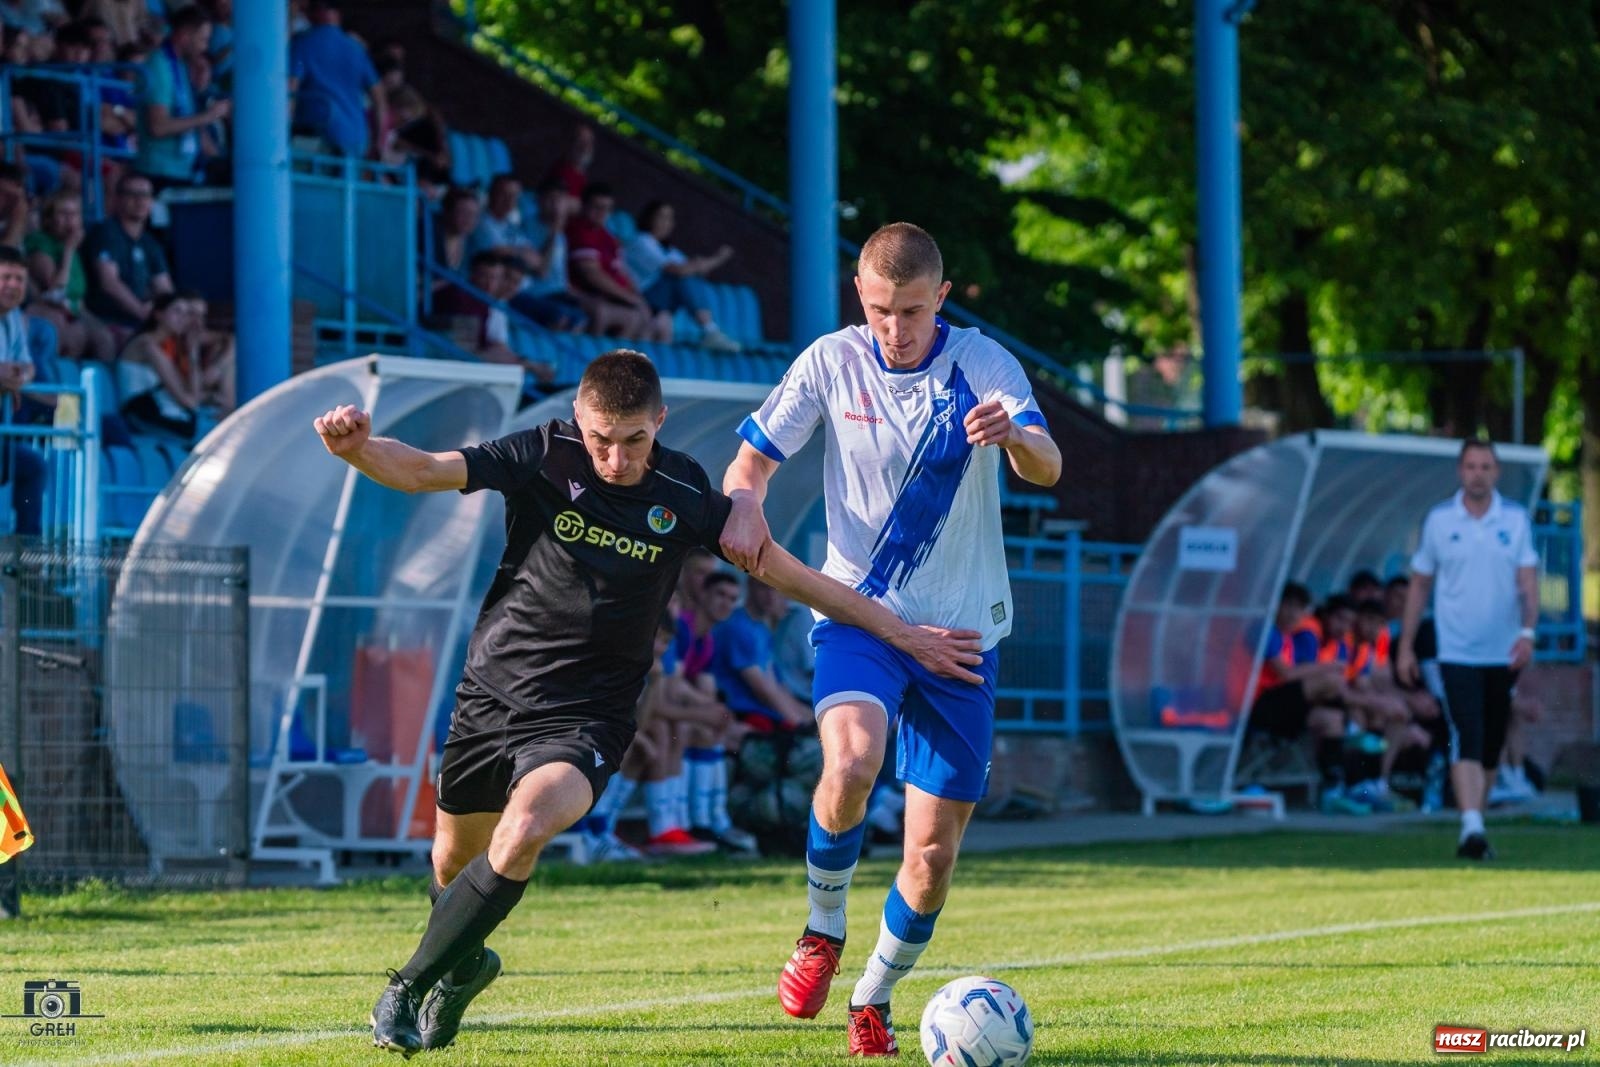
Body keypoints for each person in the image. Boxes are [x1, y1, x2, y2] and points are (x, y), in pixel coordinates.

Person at [314, 350, 983, 1057]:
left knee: (526, 826)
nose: (615, 458)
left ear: (659, 422)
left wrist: (904, 635)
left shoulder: (684, 493)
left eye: (633, 439)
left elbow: (797, 578)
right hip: (491, 694)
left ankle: (406, 986)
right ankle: (465, 964)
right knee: (452, 866)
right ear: (578, 418)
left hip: (588, 717)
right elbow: (423, 469)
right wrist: (357, 450)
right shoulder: (544, 453)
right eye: (600, 440)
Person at [719, 222, 1062, 1056]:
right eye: (880, 309)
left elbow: (1047, 463)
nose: (895, 328)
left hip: (961, 637)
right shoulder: (830, 361)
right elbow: (749, 464)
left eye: (911, 310)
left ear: (940, 297)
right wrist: (745, 502)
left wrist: (1016, 437)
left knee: (932, 854)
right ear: (859, 297)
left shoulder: (981, 362)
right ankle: (822, 927)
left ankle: (871, 998)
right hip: (860, 617)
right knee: (850, 760)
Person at [1397, 439, 1540, 861]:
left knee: (1492, 740)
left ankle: (1476, 821)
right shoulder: (1440, 521)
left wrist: (1528, 632)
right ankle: (1470, 826)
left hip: (1503, 651)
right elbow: (1420, 584)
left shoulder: (1514, 520)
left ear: (1496, 472)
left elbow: (1528, 582)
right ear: (1460, 471)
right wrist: (1405, 646)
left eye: (1485, 467)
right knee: (1466, 732)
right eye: (1471, 466)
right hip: (1456, 649)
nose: (1478, 474)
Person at [624, 200, 741, 352]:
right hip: (640, 297)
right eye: (661, 217)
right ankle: (710, 330)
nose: (666, 223)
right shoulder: (642, 241)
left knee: (688, 278)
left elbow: (697, 270)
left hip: (661, 302)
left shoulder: (669, 250)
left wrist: (703, 263)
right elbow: (678, 270)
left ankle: (711, 331)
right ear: (649, 218)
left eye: (669, 219)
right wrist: (717, 258)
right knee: (682, 277)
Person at [134, 7, 230, 187]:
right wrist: (209, 116)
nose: (205, 47)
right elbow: (158, 127)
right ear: (185, 36)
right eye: (202, 40)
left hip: (182, 169)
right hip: (159, 171)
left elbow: (188, 118)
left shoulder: (181, 65)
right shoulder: (159, 64)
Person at [566, 183, 667, 342]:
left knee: (653, 319)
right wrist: (629, 298)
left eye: (607, 209)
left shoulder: (608, 237)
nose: (602, 213)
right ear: (584, 206)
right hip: (583, 294)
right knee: (611, 314)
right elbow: (592, 275)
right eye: (597, 207)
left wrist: (638, 297)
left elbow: (622, 272)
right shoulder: (579, 230)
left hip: (609, 296)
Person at [25, 190, 115, 362]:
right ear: (49, 219)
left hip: (76, 310)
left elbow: (79, 296)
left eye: (74, 214)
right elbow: (56, 289)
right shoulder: (41, 243)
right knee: (73, 335)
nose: (70, 220)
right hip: (50, 310)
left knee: (105, 338)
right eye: (64, 213)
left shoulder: (74, 246)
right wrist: (69, 250)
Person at [289, 0, 385, 158]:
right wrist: (378, 143)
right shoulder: (356, 49)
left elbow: (290, 90)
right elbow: (379, 99)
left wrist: (283, 130)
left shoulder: (302, 43)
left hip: (316, 138)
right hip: (356, 139)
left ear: (314, 13)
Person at [83, 172, 174, 331]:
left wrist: (169, 312)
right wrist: (144, 314)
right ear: (117, 199)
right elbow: (109, 283)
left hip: (140, 321)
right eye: (132, 194)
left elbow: (164, 288)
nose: (140, 201)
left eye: (145, 195)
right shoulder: (106, 232)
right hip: (107, 320)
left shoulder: (150, 242)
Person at [116, 291, 203, 439]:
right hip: (141, 417)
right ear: (159, 315)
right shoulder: (147, 344)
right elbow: (190, 402)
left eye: (186, 314)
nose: (182, 318)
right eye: (177, 311)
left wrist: (193, 353)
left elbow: (193, 398)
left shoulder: (166, 346)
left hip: (154, 414)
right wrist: (192, 354)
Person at [0, 246, 44, 535]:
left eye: (20, 279)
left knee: (32, 467)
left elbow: (28, 366)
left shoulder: (13, 315)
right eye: (6, 277)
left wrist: (19, 377)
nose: (13, 286)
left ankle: (28, 556)